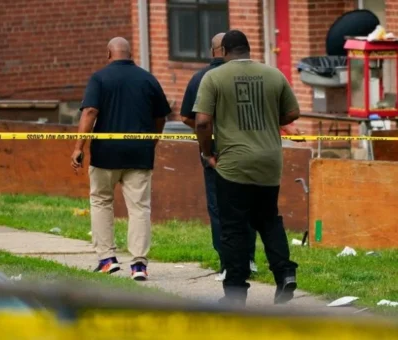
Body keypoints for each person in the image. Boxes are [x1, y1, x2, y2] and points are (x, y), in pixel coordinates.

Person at [193, 30, 299, 306]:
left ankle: (236, 292)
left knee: (233, 227)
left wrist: (208, 153)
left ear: (224, 51)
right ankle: (285, 273)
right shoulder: (274, 74)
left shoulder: (214, 77)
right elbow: (292, 113)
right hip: (269, 162)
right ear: (248, 49)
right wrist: (265, 116)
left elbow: (202, 122)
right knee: (268, 219)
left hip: (233, 164)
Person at [71, 37, 171, 281]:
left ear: (109, 53)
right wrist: (152, 141)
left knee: (102, 201)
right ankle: (139, 265)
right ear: (130, 54)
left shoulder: (100, 78)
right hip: (140, 153)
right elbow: (161, 117)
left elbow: (90, 111)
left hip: (106, 154)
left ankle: (107, 259)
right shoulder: (148, 79)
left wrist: (78, 147)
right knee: (139, 208)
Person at [180, 33, 258, 281]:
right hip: (248, 147)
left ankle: (227, 262)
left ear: (214, 50)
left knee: (219, 206)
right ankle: (249, 258)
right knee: (247, 203)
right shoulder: (250, 74)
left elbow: (187, 117)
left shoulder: (199, 78)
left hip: (214, 151)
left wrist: (207, 140)